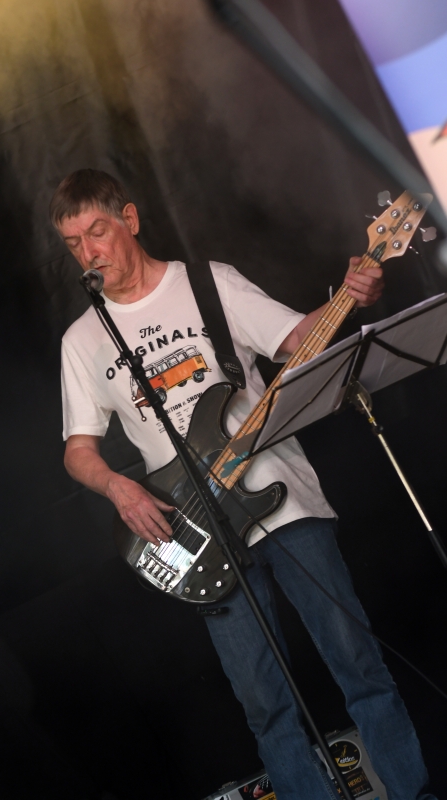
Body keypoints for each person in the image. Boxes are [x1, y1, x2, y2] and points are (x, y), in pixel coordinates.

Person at [52, 169, 435, 800]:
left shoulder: (209, 284)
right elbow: (77, 451)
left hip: (284, 500)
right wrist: (120, 489)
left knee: (358, 662)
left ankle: (413, 792)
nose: (88, 252)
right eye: (73, 243)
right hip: (196, 532)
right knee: (265, 704)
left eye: (97, 231)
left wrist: (352, 292)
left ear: (131, 219)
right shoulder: (82, 340)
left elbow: (295, 342)